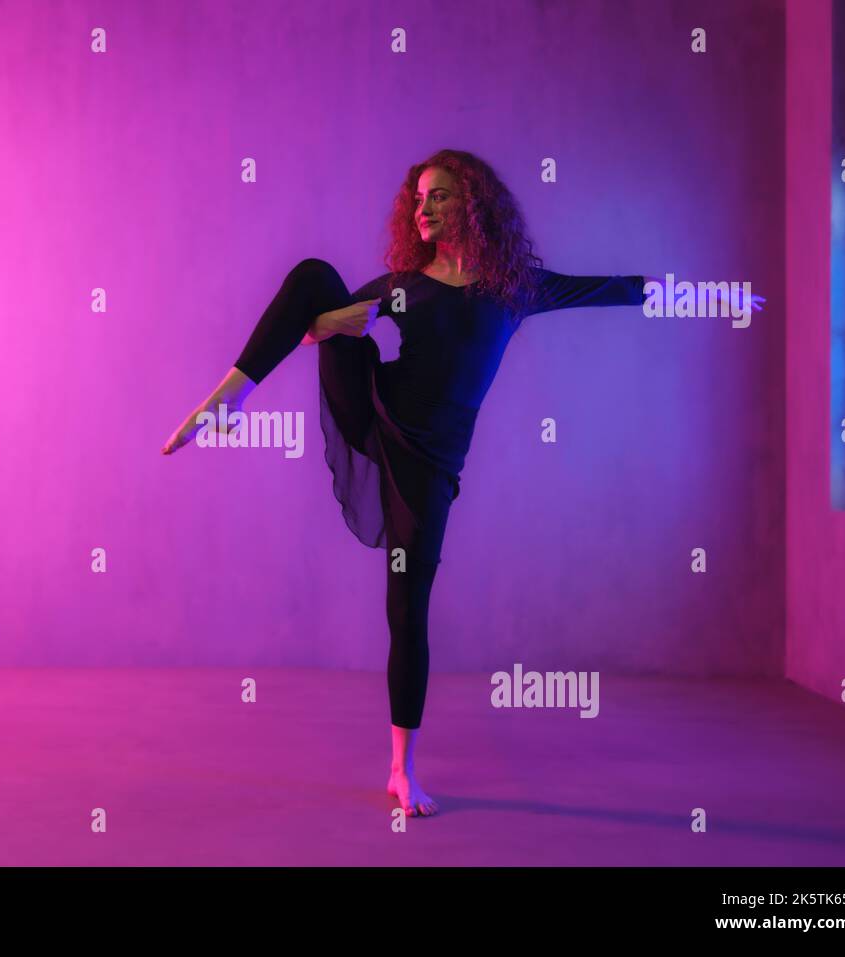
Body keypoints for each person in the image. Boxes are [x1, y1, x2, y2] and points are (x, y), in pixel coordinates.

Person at [161, 148, 759, 817]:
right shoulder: (400, 287)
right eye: (417, 198)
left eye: (438, 195)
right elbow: (306, 324)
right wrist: (330, 323)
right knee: (314, 274)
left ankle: (400, 769)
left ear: (470, 203)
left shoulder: (516, 288)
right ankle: (229, 399)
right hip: (373, 411)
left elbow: (616, 288)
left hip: (431, 465)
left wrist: (712, 295)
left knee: (407, 608)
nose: (423, 207)